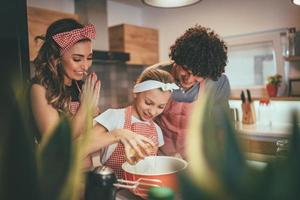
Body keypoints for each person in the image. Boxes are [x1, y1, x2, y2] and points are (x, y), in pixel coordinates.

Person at [30, 18, 153, 169]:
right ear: (56, 58)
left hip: (84, 172)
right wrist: (86, 108)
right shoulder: (40, 89)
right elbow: (58, 144)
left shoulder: (80, 87)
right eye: (77, 59)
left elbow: (86, 139)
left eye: (89, 58)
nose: (86, 65)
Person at [149, 25, 231, 159]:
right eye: (186, 70)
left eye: (198, 75)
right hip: (160, 157)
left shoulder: (217, 83)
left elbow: (220, 127)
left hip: (198, 160)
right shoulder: (155, 75)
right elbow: (141, 120)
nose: (189, 79)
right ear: (178, 59)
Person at [93, 68, 178, 178]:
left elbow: (155, 164)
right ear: (136, 93)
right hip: (113, 187)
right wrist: (117, 134)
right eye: (148, 103)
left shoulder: (156, 130)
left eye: (161, 106)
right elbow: (81, 147)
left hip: (141, 189)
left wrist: (172, 159)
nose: (152, 112)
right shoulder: (113, 117)